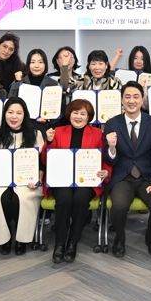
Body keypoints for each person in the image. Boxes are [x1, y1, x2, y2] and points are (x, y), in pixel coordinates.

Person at [103, 81, 151, 257]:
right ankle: (120, 238)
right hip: (123, 178)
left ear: (142, 99)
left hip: (147, 178)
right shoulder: (112, 124)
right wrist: (112, 147)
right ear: (122, 100)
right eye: (127, 97)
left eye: (136, 96)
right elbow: (109, 160)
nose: (131, 101)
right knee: (118, 206)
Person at [44, 99, 111, 264]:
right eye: (75, 113)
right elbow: (46, 160)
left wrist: (106, 172)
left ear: (89, 117)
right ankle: (60, 243)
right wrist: (49, 142)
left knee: (81, 199)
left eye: (83, 114)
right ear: (69, 114)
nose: (79, 117)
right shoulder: (58, 132)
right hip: (62, 179)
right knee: (64, 199)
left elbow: (105, 159)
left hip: (86, 180)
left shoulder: (98, 134)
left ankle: (73, 242)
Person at [0, 98, 45, 255]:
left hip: (26, 181)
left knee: (22, 198)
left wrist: (37, 179)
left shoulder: (35, 134)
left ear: (25, 115)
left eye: (19, 113)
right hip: (1, 180)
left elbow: (41, 162)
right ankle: (4, 237)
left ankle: (21, 239)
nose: (14, 116)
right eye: (10, 112)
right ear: (4, 114)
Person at [9, 49, 61, 138]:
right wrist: (17, 82)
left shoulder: (53, 84)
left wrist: (48, 119)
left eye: (40, 62)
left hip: (44, 128)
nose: (36, 66)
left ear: (45, 64)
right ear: (28, 64)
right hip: (22, 126)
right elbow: (10, 101)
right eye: (33, 62)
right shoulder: (20, 81)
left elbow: (58, 108)